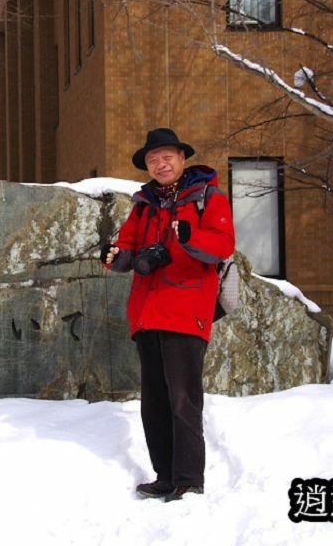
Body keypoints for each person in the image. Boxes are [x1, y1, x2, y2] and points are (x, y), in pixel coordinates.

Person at [100, 127, 235, 502]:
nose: (160, 165)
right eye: (153, 160)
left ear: (181, 157)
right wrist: (118, 257)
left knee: (183, 399)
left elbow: (223, 244)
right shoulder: (144, 204)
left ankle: (189, 479)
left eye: (167, 157)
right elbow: (126, 245)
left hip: (187, 310)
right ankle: (165, 475)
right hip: (147, 313)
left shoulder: (207, 197)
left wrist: (190, 237)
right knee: (154, 402)